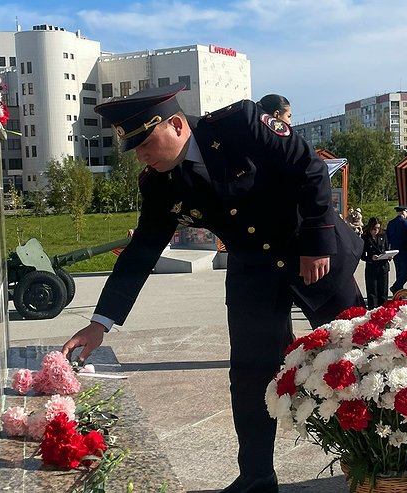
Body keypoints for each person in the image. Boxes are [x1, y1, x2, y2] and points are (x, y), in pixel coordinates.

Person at [60, 84, 363, 493]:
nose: (142, 156)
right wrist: (100, 322)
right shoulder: (158, 185)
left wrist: (316, 243)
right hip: (252, 272)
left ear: (176, 125)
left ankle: (377, 463)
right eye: (135, 149)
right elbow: (141, 252)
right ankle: (256, 477)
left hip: (311, 253)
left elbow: (308, 167)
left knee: (355, 356)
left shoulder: (239, 125)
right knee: (250, 376)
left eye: (146, 143)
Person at [386, 205, 407, 294]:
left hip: (394, 251)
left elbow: (387, 238)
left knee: (399, 272)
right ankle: (396, 287)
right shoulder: (405, 222)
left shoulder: (391, 223)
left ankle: (398, 293)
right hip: (403, 250)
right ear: (404, 212)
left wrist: (388, 252)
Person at [361, 217, 390, 308]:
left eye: (378, 228)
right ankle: (373, 311)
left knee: (383, 292)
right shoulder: (365, 238)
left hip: (383, 267)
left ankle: (383, 310)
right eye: (374, 228)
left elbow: (386, 249)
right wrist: (371, 258)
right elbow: (362, 256)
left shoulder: (383, 235)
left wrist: (389, 256)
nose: (376, 231)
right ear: (370, 228)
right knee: (372, 292)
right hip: (372, 268)